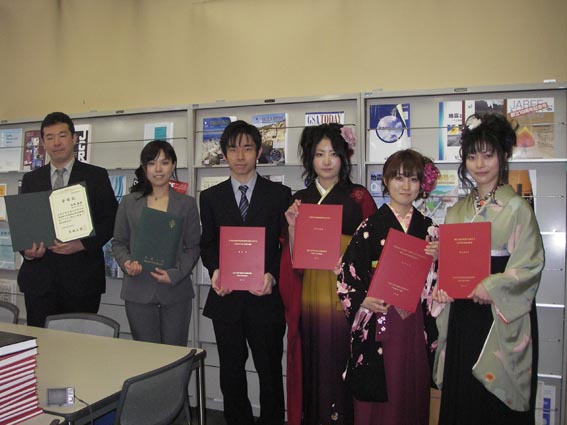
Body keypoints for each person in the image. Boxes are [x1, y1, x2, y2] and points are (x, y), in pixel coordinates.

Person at [432, 113, 544, 425]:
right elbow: (450, 266)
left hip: (499, 316)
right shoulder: (457, 211)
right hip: (463, 315)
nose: (479, 164)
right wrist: (443, 288)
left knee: (493, 402)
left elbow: (530, 265)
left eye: (488, 155)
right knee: (463, 393)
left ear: (503, 155)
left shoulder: (518, 208)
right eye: (472, 156)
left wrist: (492, 286)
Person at [279, 123, 377, 425]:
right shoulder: (300, 199)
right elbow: (292, 258)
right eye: (319, 154)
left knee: (343, 357)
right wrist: (293, 227)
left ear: (343, 157)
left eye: (333, 153)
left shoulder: (358, 197)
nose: (326, 161)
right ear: (310, 158)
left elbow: (374, 249)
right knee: (314, 359)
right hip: (311, 292)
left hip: (346, 294)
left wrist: (349, 258)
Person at [336, 149, 440, 425]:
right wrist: (363, 299)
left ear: (421, 184)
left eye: (413, 179)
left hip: (414, 322)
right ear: (385, 180)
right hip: (379, 319)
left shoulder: (429, 229)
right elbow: (347, 275)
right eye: (398, 178)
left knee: (411, 388)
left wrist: (437, 260)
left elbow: (439, 285)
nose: (406, 186)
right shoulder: (370, 226)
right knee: (380, 394)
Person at [199, 120, 291, 425]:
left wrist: (273, 275)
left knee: (269, 371)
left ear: (258, 152)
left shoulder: (280, 194)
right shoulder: (210, 198)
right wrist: (215, 270)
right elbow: (207, 244)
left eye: (247, 148)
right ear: (224, 154)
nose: (240, 156)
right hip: (226, 299)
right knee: (231, 372)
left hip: (265, 298)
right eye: (233, 149)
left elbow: (286, 246)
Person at [17, 112, 118, 327]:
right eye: (50, 137)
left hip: (82, 281)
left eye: (62, 135)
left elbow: (110, 220)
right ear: (43, 142)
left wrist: (82, 244)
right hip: (39, 283)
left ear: (74, 138)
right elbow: (24, 225)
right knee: (41, 341)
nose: (56, 142)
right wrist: (28, 252)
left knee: (78, 343)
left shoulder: (96, 176)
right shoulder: (31, 180)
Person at [111, 140, 200, 346]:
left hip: (175, 291)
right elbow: (119, 243)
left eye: (165, 163)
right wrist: (127, 263)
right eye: (152, 163)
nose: (158, 169)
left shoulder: (187, 204)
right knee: (146, 356)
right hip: (138, 289)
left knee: (174, 354)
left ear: (173, 165)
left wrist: (175, 274)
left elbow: (193, 247)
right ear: (144, 168)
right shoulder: (129, 202)